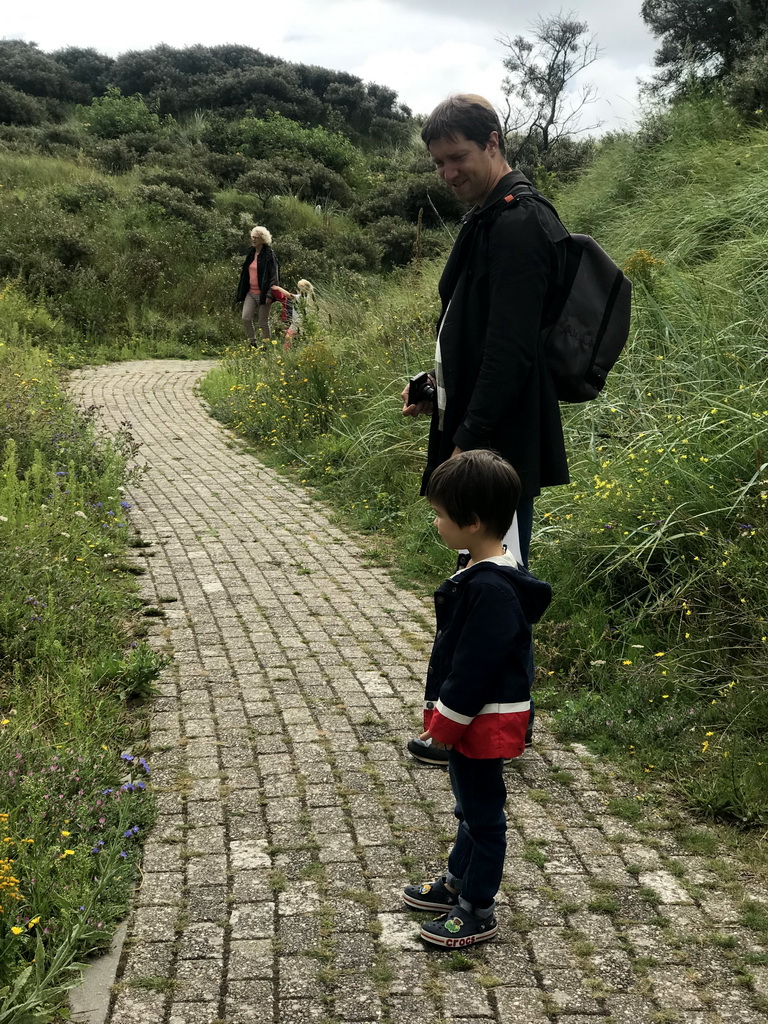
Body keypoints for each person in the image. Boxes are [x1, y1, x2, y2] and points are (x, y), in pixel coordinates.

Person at [401, 94, 570, 765]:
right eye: (438, 162)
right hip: (478, 429)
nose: (447, 173)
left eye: (457, 158)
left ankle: (499, 731)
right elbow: (473, 332)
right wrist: (434, 387)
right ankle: (477, 720)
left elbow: (512, 350)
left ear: (493, 142)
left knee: (502, 586)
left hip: (499, 445)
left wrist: (468, 437)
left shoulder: (521, 222)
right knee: (484, 581)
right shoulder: (490, 218)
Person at [402, 449, 552, 948]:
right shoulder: (481, 570)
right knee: (468, 807)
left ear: (472, 522)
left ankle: (478, 908)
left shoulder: (492, 590)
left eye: (441, 516)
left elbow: (474, 670)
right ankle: (456, 882)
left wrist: (444, 726)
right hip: (471, 720)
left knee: (484, 817)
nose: (436, 523)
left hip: (480, 722)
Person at [236, 226, 279, 345]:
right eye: (252, 237)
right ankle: (252, 342)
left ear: (262, 239)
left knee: (263, 322)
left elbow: (274, 276)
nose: (253, 240)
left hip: (264, 294)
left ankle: (267, 345)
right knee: (246, 317)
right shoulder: (250, 253)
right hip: (251, 292)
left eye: (256, 238)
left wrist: (270, 295)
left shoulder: (269, 255)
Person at [270, 279, 315, 346]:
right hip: (300, 320)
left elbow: (288, 295)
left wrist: (278, 288)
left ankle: (286, 352)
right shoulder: (306, 297)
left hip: (297, 321)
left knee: (288, 336)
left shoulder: (300, 297)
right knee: (298, 336)